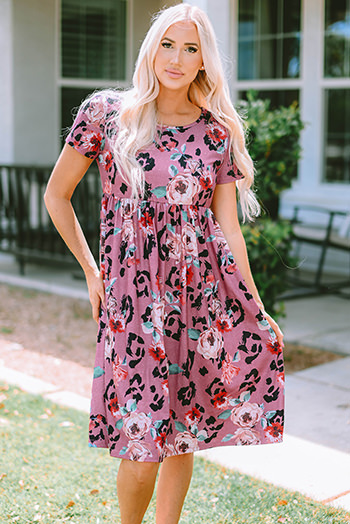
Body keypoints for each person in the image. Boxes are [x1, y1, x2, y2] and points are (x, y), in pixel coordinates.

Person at [44, 3, 285, 523]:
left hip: (201, 296)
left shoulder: (215, 132)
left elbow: (227, 228)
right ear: (151, 49)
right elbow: (56, 196)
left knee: (182, 432)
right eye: (168, 44)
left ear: (205, 62)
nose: (176, 58)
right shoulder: (108, 114)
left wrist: (256, 307)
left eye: (191, 48)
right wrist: (92, 270)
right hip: (131, 301)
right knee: (140, 440)